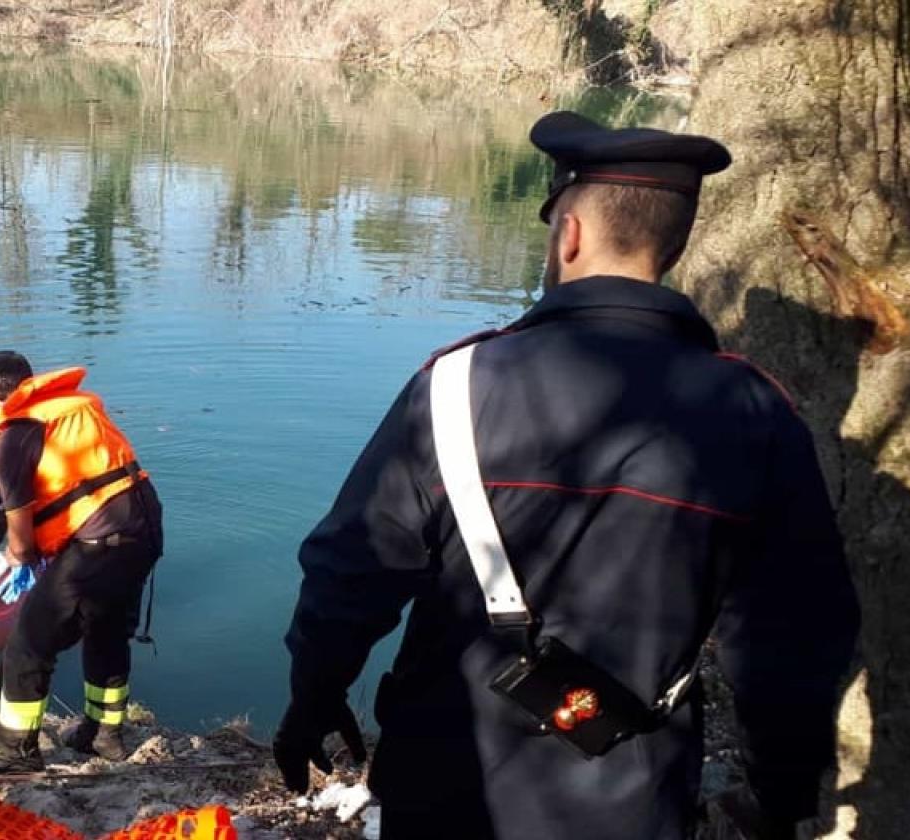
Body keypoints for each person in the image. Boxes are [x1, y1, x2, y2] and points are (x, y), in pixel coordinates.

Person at [274, 111, 860, 840]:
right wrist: (781, 793)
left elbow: (349, 570)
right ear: (674, 246)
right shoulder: (757, 414)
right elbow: (793, 636)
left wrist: (314, 696)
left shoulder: (457, 387)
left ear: (569, 233)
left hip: (445, 781)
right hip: (635, 797)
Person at [0, 351, 164, 772]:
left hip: (99, 544)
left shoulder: (12, 439)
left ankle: (15, 751)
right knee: (106, 630)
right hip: (144, 529)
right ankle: (105, 735)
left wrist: (21, 561)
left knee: (28, 644)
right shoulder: (72, 411)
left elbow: (21, 541)